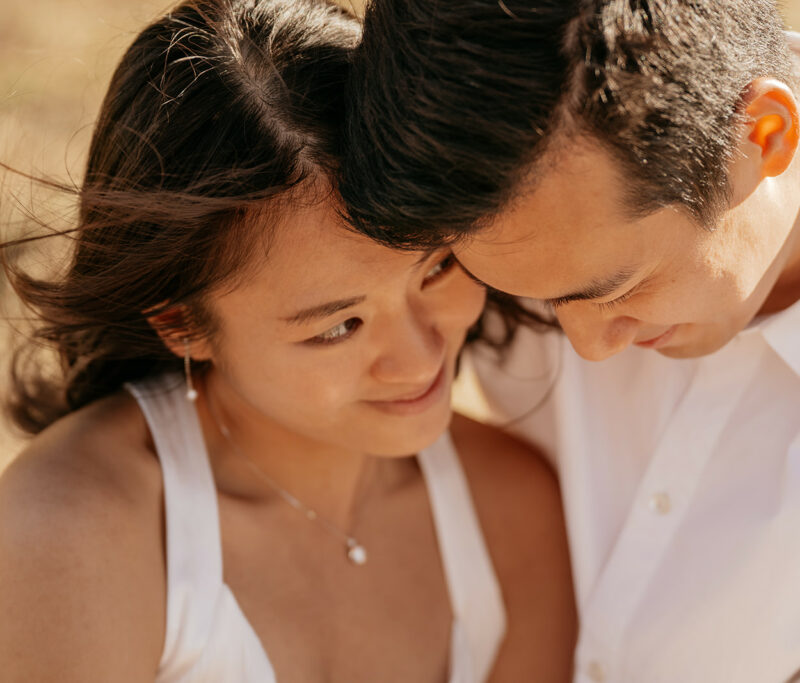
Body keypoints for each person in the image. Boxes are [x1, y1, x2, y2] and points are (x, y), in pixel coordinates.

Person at [338, 0, 800, 680]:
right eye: (534, 298)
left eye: (616, 289)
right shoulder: (501, 169)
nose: (585, 348)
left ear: (763, 137)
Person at [0, 0, 576, 680]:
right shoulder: (72, 530)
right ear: (181, 322)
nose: (421, 358)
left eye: (438, 267)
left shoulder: (513, 507)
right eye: (337, 326)